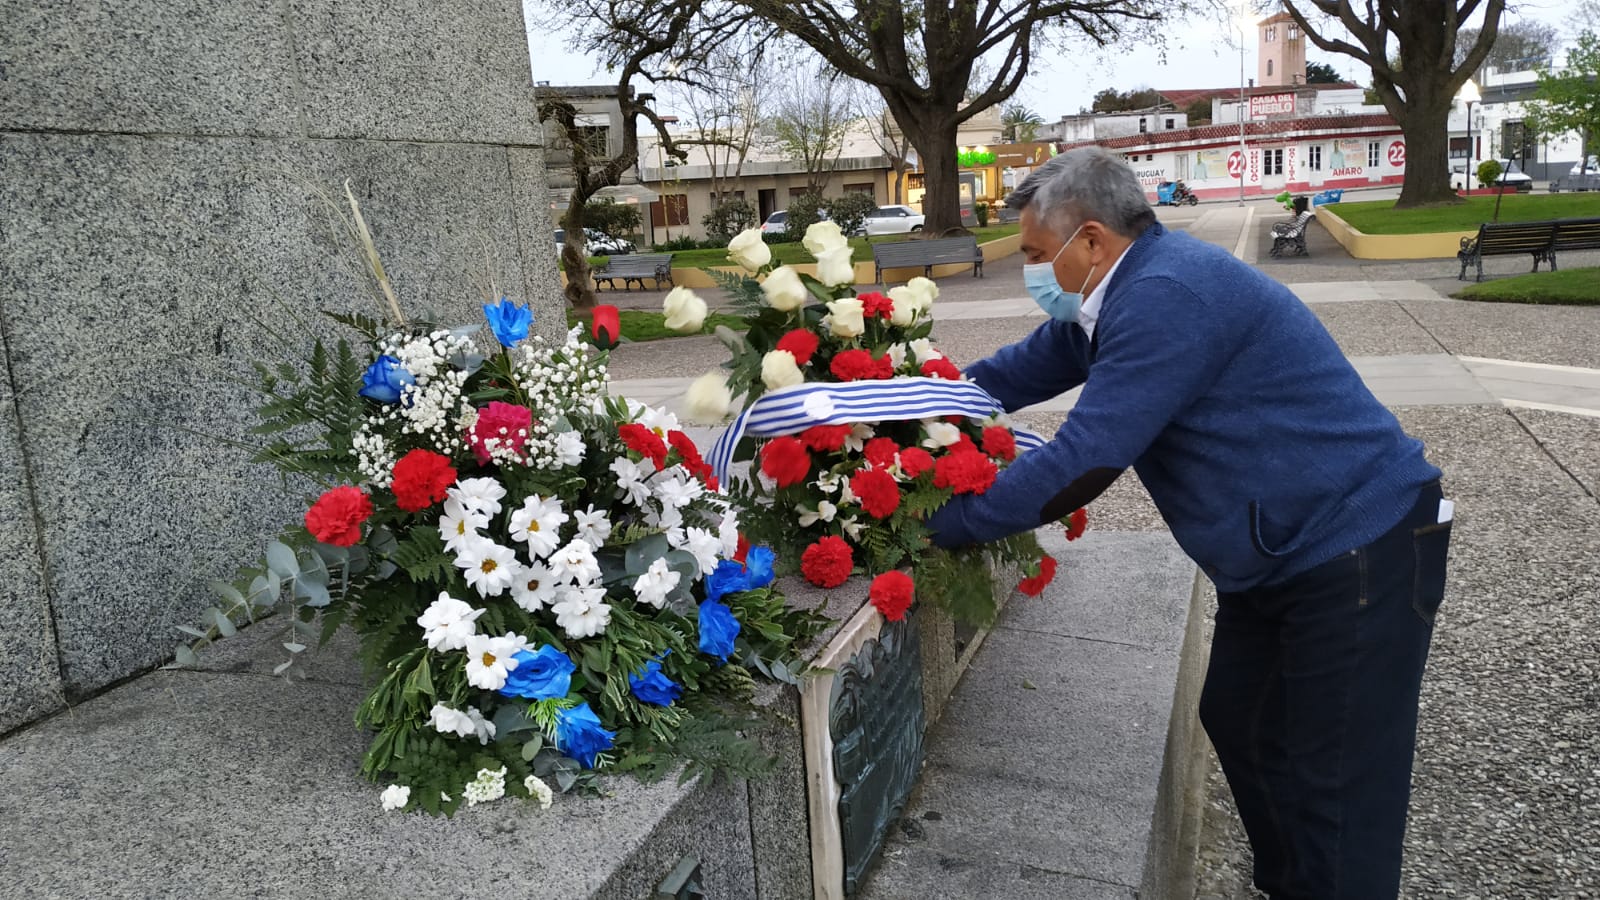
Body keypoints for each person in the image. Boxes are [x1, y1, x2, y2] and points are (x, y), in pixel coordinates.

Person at [926, 146, 1452, 900]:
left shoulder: (1167, 294)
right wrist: (896, 405)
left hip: (1354, 549)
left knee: (1336, 787)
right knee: (1242, 719)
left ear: (1094, 240)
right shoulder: (1113, 296)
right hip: (1282, 555)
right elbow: (1010, 373)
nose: (1033, 272)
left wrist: (946, 523)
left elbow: (1086, 458)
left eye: (1039, 255)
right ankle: (1290, 884)